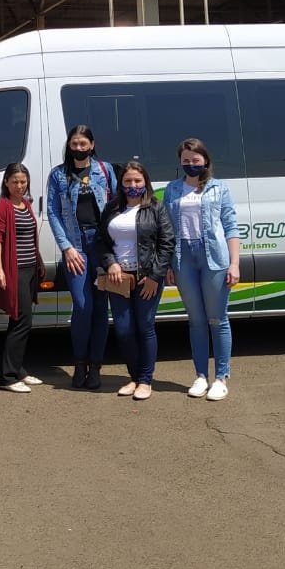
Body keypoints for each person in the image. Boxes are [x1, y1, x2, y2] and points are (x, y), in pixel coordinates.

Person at [163, 137, 240, 400]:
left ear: (205, 160)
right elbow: (168, 231)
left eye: (195, 160)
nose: (191, 164)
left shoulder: (219, 188)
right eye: (186, 160)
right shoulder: (172, 189)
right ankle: (200, 376)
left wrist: (235, 263)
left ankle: (221, 377)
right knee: (195, 321)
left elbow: (231, 226)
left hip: (214, 259)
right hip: (184, 258)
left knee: (217, 319)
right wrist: (169, 265)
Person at [92, 160, 175, 401]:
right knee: (124, 328)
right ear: (121, 183)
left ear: (145, 183)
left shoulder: (156, 208)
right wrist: (111, 263)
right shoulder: (113, 207)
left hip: (147, 278)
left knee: (145, 326)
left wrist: (154, 276)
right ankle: (134, 376)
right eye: (127, 181)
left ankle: (146, 380)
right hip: (119, 277)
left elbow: (167, 242)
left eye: (137, 181)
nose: (132, 185)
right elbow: (100, 241)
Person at [46, 125, 116, 390]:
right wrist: (66, 247)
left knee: (100, 309)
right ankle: (79, 364)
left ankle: (95, 367)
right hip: (75, 247)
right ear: (69, 145)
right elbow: (53, 213)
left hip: (101, 247)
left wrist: (115, 250)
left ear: (92, 144)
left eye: (83, 143)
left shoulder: (105, 171)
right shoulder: (58, 175)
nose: (78, 148)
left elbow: (117, 207)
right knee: (82, 306)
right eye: (74, 143)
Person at [0, 162, 45, 393]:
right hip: (14, 271)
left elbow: (31, 237)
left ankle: (18, 369)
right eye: (15, 182)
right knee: (22, 320)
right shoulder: (1, 207)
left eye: (23, 182)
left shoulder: (25, 204)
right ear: (6, 182)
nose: (20, 186)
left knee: (20, 320)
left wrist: (39, 262)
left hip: (30, 269)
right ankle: (7, 377)